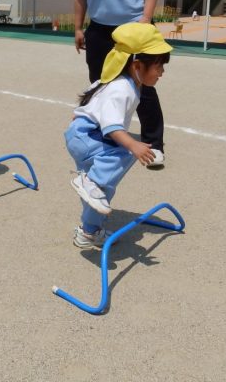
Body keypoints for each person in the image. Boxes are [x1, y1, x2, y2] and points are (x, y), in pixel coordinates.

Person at [73, 0, 167, 167]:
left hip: (133, 29)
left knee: (144, 86)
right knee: (101, 86)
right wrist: (79, 28)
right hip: (99, 29)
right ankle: (106, 136)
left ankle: (155, 144)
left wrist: (145, 21)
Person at [65, 23, 172, 249]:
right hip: (89, 136)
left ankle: (89, 232)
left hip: (82, 135)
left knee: (102, 192)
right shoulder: (122, 88)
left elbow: (87, 103)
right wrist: (135, 146)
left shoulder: (117, 80)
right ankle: (90, 182)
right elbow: (112, 128)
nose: (162, 71)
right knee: (126, 151)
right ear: (137, 65)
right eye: (158, 65)